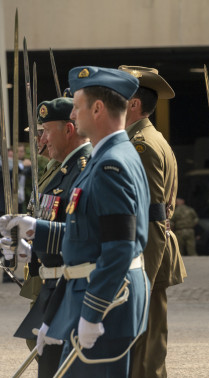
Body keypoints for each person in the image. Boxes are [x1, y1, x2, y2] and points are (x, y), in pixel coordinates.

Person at [0, 66, 150, 377]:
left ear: (97, 108)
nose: (74, 114)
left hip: (108, 302)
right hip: (95, 295)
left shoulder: (112, 163)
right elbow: (89, 234)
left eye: (77, 106)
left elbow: (119, 248)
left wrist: (92, 314)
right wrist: (35, 232)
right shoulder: (107, 156)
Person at [5, 97, 93, 377]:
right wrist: (24, 245)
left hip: (75, 286)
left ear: (69, 129)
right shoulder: (61, 170)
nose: (40, 138)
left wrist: (36, 230)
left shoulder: (86, 169)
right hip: (53, 282)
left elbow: (88, 236)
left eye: (46, 130)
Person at [118, 65, 187, 378]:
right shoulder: (145, 138)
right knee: (145, 347)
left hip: (148, 257)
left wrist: (141, 276)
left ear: (133, 104)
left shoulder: (141, 145)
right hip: (150, 255)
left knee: (145, 354)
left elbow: (153, 215)